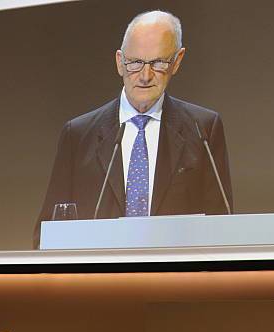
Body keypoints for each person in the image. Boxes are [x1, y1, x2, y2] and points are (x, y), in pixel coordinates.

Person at [34, 10, 232, 248]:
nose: (145, 76)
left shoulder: (203, 130)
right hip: (97, 280)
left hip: (176, 280)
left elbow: (222, 230)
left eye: (158, 63)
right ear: (119, 62)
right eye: (135, 63)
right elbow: (48, 233)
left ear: (177, 61)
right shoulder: (78, 135)